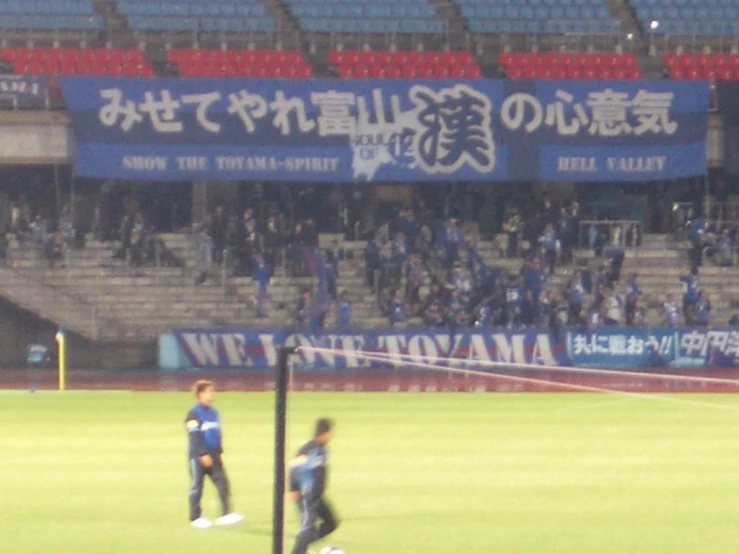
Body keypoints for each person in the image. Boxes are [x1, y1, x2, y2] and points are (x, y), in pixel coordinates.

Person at [185, 380, 243, 529]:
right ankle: (195, 517)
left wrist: (219, 452)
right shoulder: (193, 414)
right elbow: (194, 436)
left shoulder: (213, 413)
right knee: (197, 486)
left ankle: (225, 514)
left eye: (212, 391)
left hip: (214, 455)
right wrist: (202, 454)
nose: (212, 394)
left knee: (223, 483)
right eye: (209, 391)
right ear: (200, 394)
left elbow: (217, 434)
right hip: (198, 456)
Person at [289, 419, 339, 554]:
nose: (332, 435)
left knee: (331, 522)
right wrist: (293, 489)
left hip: (317, 496)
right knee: (307, 528)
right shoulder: (308, 449)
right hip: (306, 495)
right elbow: (294, 468)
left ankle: (303, 547)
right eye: (330, 432)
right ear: (324, 433)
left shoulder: (323, 449)